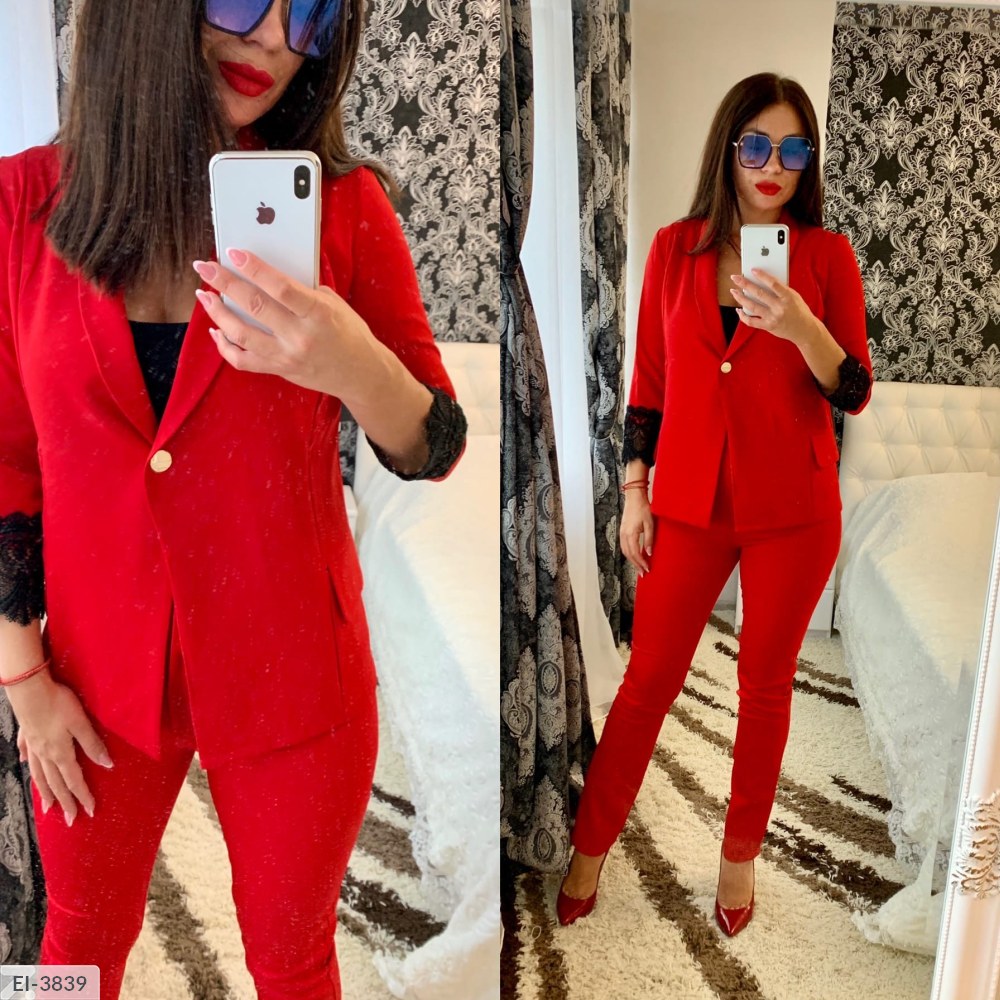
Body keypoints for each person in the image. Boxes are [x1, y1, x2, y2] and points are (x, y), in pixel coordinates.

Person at [0, 1, 467, 996]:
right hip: (90, 681)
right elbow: (4, 467)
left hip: (297, 673)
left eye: (313, 12)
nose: (275, 40)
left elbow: (436, 445)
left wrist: (352, 365)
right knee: (72, 947)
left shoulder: (345, 210)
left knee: (293, 961)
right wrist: (24, 682)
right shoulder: (17, 208)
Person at [556, 73, 872, 937]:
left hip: (795, 510)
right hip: (689, 503)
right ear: (729, 150)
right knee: (647, 683)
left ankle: (738, 861)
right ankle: (590, 847)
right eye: (757, 144)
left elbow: (854, 390)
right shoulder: (675, 248)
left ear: (808, 161)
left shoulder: (828, 257)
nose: (774, 164)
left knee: (764, 690)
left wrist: (802, 326)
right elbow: (649, 385)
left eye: (793, 148)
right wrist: (634, 493)